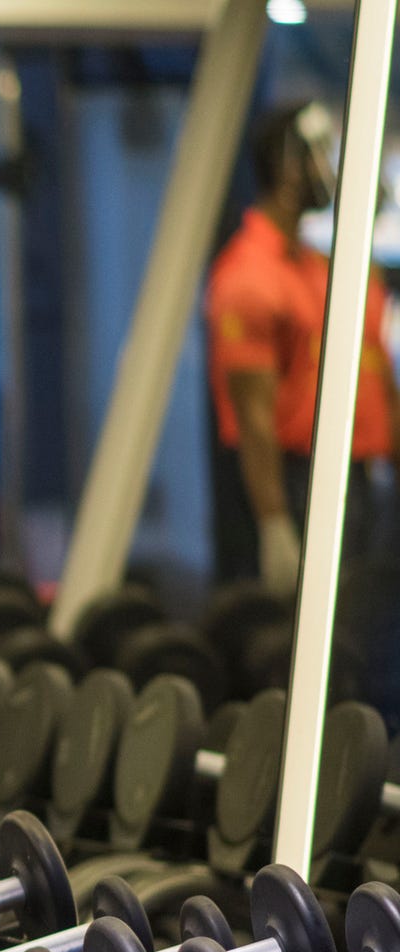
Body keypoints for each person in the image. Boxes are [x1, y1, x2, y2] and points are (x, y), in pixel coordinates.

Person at [207, 100, 400, 593]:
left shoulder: (327, 271)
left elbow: (376, 381)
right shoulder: (248, 277)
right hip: (297, 483)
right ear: (289, 166)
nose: (334, 169)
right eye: (324, 154)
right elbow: (253, 418)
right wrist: (274, 525)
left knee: (364, 638)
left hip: (360, 478)